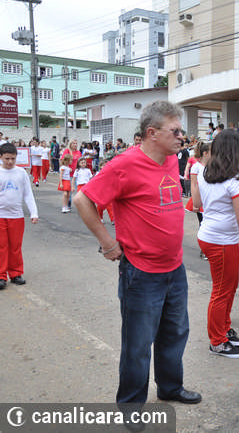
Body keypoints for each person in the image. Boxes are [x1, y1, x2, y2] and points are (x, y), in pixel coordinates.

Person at [73, 100, 201, 408]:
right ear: (152, 133)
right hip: (141, 273)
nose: (181, 137)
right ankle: (131, 405)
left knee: (175, 333)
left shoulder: (170, 160)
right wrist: (107, 243)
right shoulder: (123, 165)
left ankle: (170, 387)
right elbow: (82, 200)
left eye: (181, 130)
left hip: (174, 268)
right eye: (175, 131)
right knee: (138, 344)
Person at [191, 129, 239, 358]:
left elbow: (198, 202)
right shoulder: (235, 179)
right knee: (222, 290)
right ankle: (217, 341)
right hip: (220, 241)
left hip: (212, 236)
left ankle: (223, 328)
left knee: (229, 286)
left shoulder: (206, 172)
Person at [0, 142, 39, 289]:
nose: (10, 162)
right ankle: (1, 276)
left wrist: (34, 212)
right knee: (1, 246)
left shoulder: (21, 173)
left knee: (15, 246)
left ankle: (15, 273)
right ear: (1, 157)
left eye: (13, 159)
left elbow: (28, 194)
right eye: (7, 159)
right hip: (0, 216)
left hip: (16, 216)